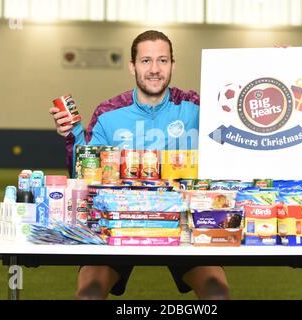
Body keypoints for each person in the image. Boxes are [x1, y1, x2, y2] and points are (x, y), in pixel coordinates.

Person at [49, 30, 229, 300]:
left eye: (162, 61)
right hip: (119, 221)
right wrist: (71, 136)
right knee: (89, 295)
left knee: (217, 294)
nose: (154, 69)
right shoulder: (108, 114)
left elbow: (242, 115)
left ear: (172, 65)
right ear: (132, 66)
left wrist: (278, 69)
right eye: (146, 61)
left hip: (183, 222)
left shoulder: (197, 108)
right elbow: (82, 176)